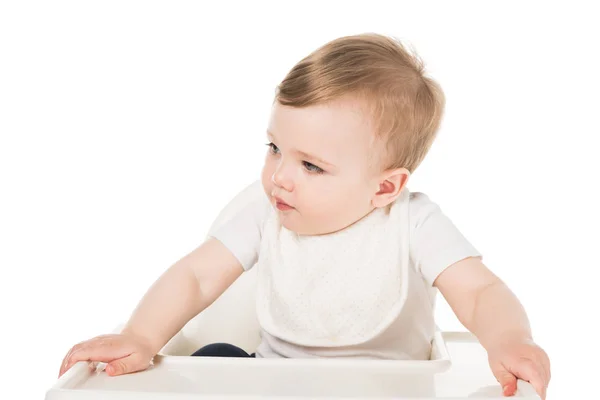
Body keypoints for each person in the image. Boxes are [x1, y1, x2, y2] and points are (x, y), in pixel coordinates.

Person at [58, 33, 550, 399]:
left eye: (311, 165)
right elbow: (196, 276)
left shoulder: (414, 224)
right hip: (275, 382)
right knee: (214, 362)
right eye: (275, 148)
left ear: (385, 187)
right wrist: (141, 336)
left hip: (392, 389)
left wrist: (509, 339)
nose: (280, 176)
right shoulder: (263, 212)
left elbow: (480, 291)